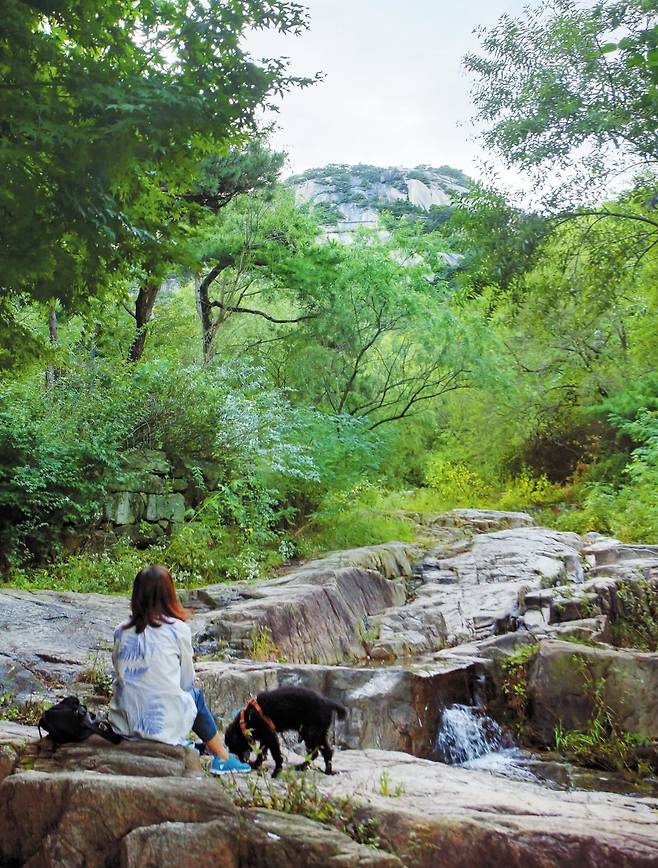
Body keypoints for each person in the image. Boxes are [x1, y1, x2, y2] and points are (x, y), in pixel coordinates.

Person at [108, 564, 251, 774]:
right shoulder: (178, 630)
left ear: (136, 595)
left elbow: (119, 670)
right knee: (195, 697)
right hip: (160, 726)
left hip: (123, 726)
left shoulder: (121, 630)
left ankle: (190, 744)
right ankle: (221, 757)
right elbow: (186, 682)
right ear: (170, 595)